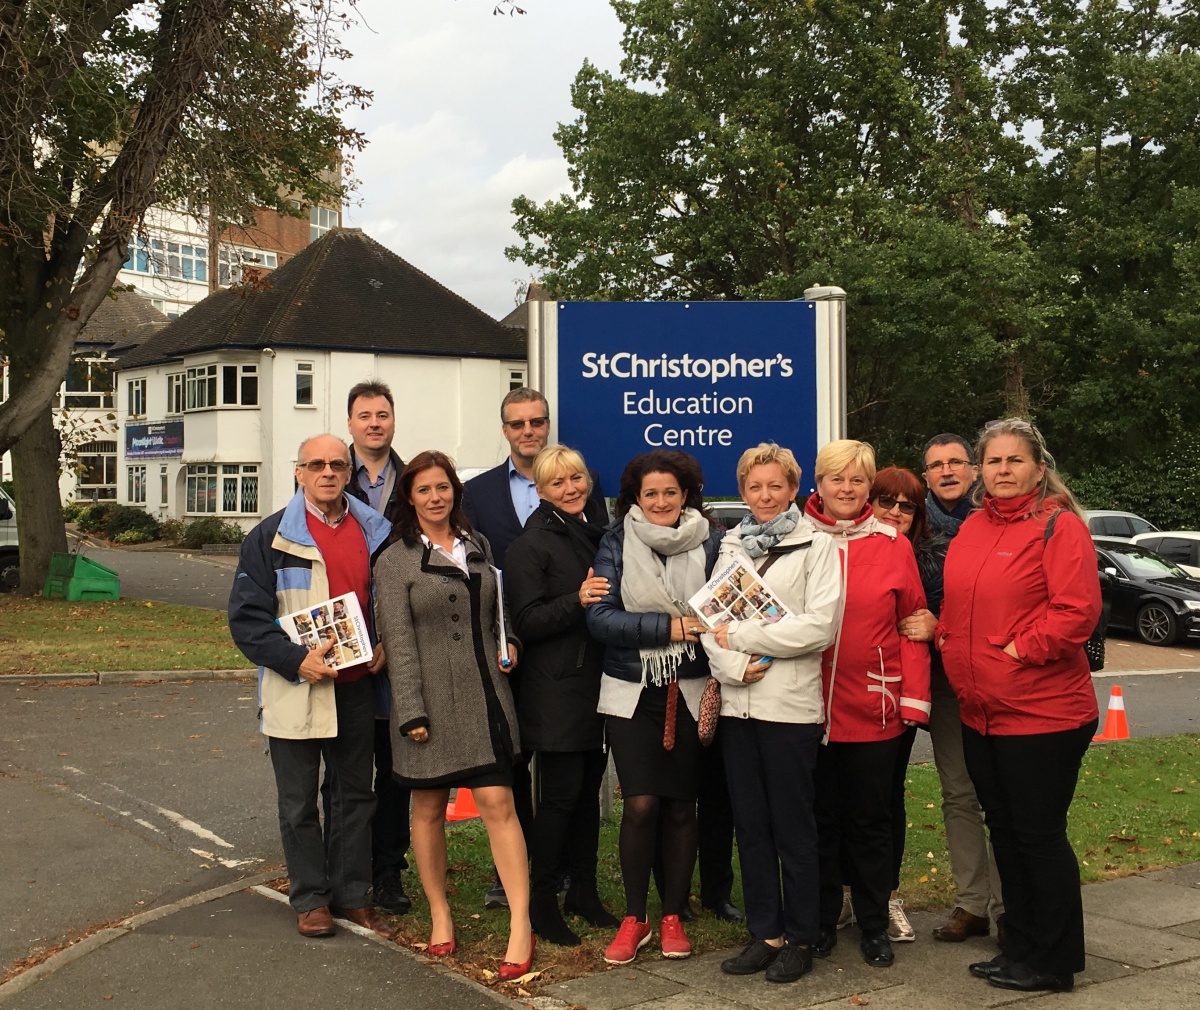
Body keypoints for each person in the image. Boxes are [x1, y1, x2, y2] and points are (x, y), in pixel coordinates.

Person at [938, 419, 1100, 993]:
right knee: (1005, 833)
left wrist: (1017, 651)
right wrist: (948, 641)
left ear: (1038, 467)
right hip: (981, 712)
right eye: (993, 461)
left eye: (1015, 460)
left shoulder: (1059, 526)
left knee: (1038, 836)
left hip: (1043, 713)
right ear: (979, 470)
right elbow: (960, 603)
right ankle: (1021, 949)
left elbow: (1076, 612)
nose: (1003, 470)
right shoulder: (974, 526)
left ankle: (1054, 962)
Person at [372, 451, 534, 980]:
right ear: (409, 498)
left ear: (454, 492)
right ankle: (440, 913)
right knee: (427, 807)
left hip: (487, 696)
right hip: (429, 705)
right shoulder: (394, 560)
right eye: (423, 489)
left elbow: (497, 616)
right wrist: (410, 711)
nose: (435, 497)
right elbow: (398, 642)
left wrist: (510, 643)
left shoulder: (478, 544)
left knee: (499, 802)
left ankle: (521, 924)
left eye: (443, 487)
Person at [228, 434, 393, 941]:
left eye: (337, 465)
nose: (328, 472)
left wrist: (385, 641)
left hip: (356, 685)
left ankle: (351, 893)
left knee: (354, 796)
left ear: (348, 473)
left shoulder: (376, 531)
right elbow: (247, 620)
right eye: (316, 464)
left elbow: (389, 600)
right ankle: (310, 899)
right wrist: (296, 660)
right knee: (298, 802)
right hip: (294, 686)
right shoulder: (269, 538)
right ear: (298, 473)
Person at [462, 386, 606, 909]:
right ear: (505, 430)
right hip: (511, 653)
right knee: (519, 774)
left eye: (536, 421)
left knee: (573, 787)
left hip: (576, 665)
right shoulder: (479, 495)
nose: (528, 430)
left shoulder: (590, 507)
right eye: (517, 423)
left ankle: (569, 881)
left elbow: (598, 560)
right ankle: (521, 879)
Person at [702, 444, 842, 984]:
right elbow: (709, 620)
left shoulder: (817, 544)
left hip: (789, 709)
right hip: (738, 705)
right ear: (743, 491)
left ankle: (802, 936)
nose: (765, 496)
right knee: (751, 826)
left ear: (793, 489)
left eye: (775, 486)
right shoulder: (730, 545)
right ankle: (766, 933)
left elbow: (818, 628)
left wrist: (740, 637)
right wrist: (734, 666)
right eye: (755, 487)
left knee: (793, 828)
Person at [585, 449, 723, 965]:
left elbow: (726, 609)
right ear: (635, 499)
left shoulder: (713, 541)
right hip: (631, 690)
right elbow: (601, 618)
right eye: (651, 494)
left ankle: (672, 915)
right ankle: (635, 917)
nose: (661, 502)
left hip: (689, 688)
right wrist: (670, 627)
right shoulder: (615, 542)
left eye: (670, 492)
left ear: (686, 494)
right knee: (641, 804)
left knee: (682, 806)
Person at [804, 440, 930, 969]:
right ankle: (822, 919)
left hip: (875, 706)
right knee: (822, 820)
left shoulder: (892, 542)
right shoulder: (797, 536)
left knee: (871, 822)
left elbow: (913, 623)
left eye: (857, 480)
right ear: (819, 483)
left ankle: (874, 924)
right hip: (807, 706)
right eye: (837, 478)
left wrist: (914, 701)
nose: (847, 488)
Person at [504, 445, 619, 947]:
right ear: (541, 491)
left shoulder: (596, 534)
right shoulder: (531, 545)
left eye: (576, 478)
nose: (570, 489)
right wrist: (578, 599)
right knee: (559, 799)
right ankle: (543, 902)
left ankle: (584, 893)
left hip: (595, 684)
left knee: (588, 796)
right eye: (558, 482)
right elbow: (526, 620)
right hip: (555, 692)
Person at [906, 435, 1005, 946]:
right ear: (926, 476)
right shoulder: (911, 525)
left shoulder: (998, 520)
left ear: (974, 470)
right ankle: (972, 904)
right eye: (936, 465)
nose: (946, 471)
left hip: (998, 676)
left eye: (955, 463)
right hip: (943, 680)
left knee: (1004, 795)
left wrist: (940, 624)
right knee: (959, 792)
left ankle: (1010, 908)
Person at [343, 380, 412, 916]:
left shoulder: (414, 483)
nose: (374, 423)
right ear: (351, 423)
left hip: (400, 648)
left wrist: (391, 638)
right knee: (345, 769)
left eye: (382, 414)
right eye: (364, 415)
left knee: (395, 771)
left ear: (393, 420)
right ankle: (344, 869)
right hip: (343, 649)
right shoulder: (326, 475)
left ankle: (388, 871)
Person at [865, 466, 932, 945]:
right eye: (886, 501)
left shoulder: (924, 555)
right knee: (840, 800)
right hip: (845, 694)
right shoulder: (849, 545)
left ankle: (886, 896)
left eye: (906, 506)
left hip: (897, 695)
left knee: (885, 798)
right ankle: (848, 892)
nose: (895, 512)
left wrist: (936, 622)